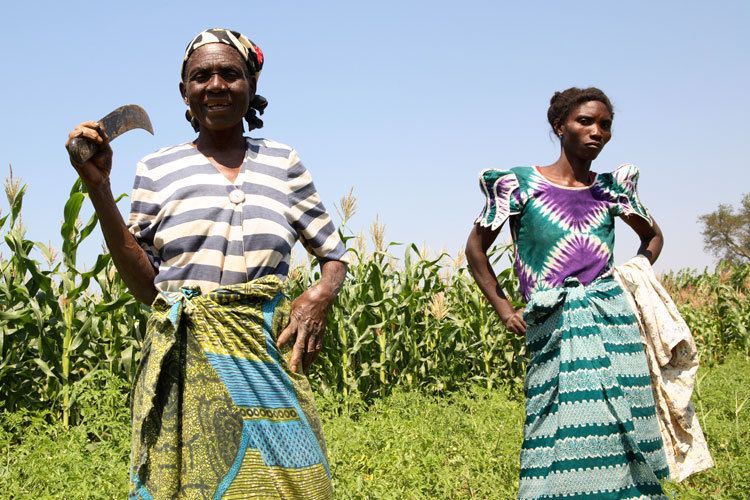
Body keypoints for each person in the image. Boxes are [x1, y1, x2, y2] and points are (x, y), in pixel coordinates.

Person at [65, 28, 346, 499]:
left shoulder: (283, 161)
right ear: (185, 93)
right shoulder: (156, 168)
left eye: (230, 74)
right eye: (201, 76)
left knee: (300, 485)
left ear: (251, 86)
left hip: (266, 352)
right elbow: (148, 286)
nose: (216, 85)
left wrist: (319, 295)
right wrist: (98, 189)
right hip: (186, 356)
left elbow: (333, 253)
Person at [465, 87, 670, 499]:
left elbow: (653, 237)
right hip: (552, 321)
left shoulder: (611, 188)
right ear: (560, 127)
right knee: (553, 423)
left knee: (620, 420)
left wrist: (633, 278)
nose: (597, 131)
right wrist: (505, 309)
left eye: (605, 125)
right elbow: (474, 250)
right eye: (585, 121)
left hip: (611, 321)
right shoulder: (520, 185)